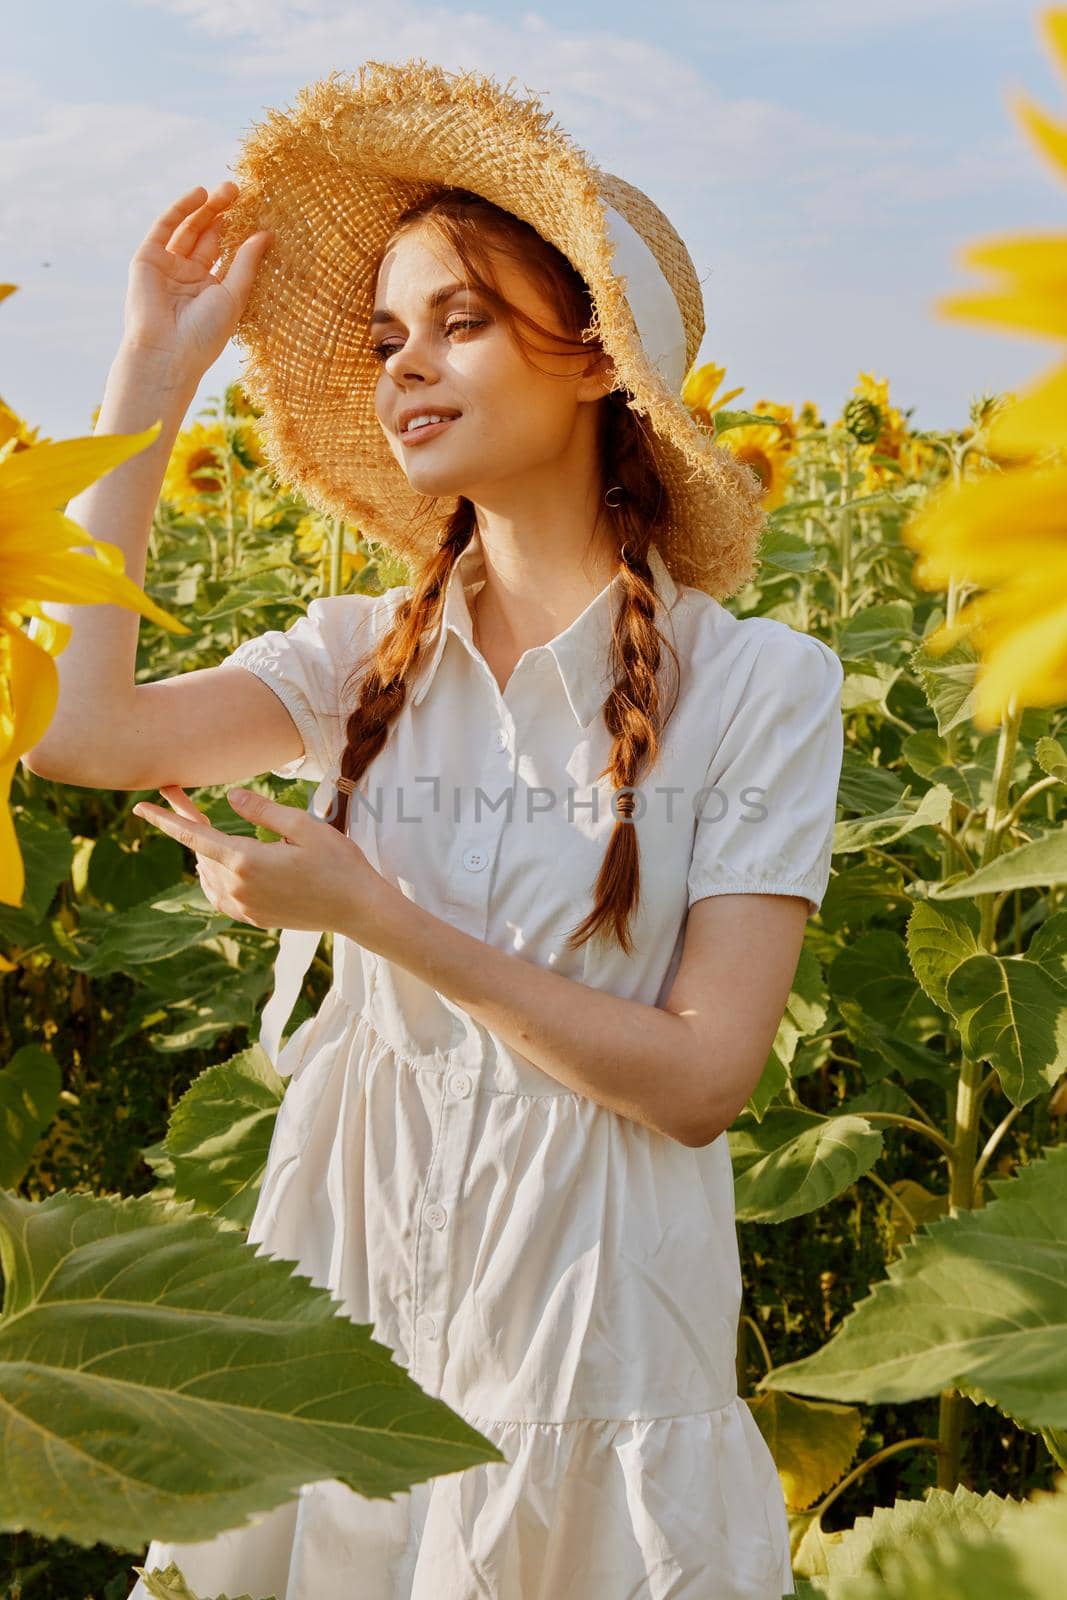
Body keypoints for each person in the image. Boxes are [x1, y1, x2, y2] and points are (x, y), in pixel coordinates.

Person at [29, 61, 844, 1600]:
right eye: (390, 335)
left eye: (461, 322)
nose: (407, 366)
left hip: (586, 1335)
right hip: (348, 1311)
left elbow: (699, 1080)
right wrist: (149, 377)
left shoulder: (763, 686)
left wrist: (375, 917)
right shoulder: (355, 657)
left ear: (599, 359)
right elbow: (75, 728)